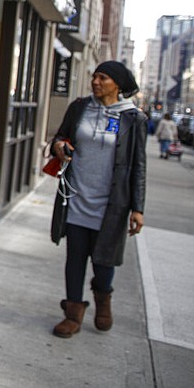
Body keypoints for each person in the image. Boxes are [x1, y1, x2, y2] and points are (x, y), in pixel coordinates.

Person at [48, 60, 146, 339]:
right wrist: (58, 146)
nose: (96, 82)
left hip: (111, 205)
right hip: (77, 197)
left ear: (117, 84)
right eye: (94, 76)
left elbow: (139, 166)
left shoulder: (133, 118)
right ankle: (72, 314)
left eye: (103, 78)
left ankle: (103, 300)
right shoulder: (80, 107)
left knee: (104, 262)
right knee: (75, 258)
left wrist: (138, 208)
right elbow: (60, 136)